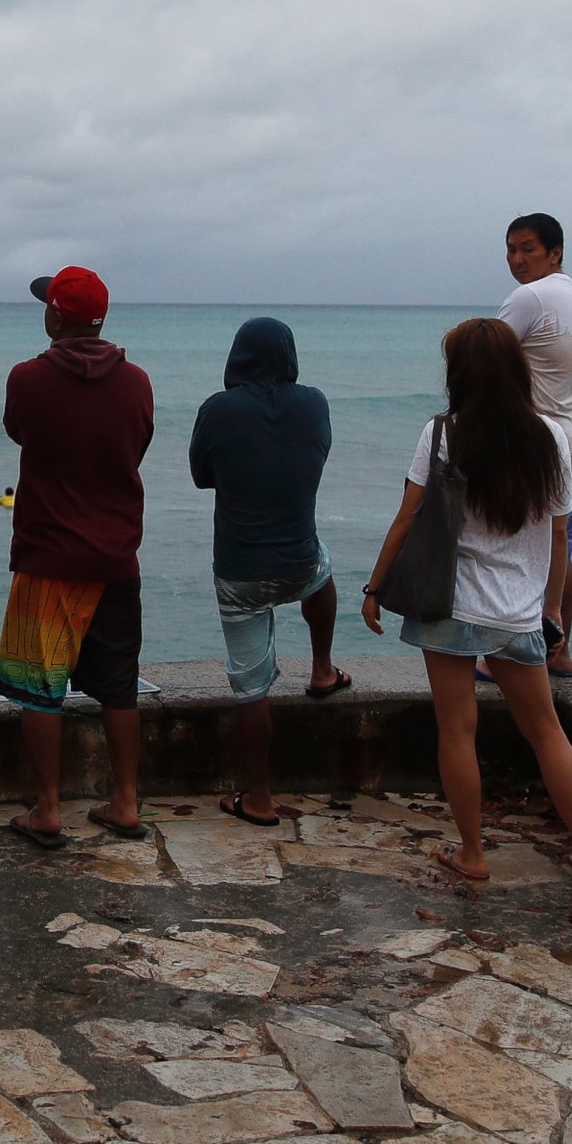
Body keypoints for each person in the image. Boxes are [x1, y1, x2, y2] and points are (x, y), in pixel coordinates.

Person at [362, 317, 572, 888]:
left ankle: (473, 853)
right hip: (519, 613)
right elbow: (558, 535)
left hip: (452, 607)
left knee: (457, 731)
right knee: (547, 731)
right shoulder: (549, 436)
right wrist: (553, 615)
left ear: (459, 374)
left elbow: (407, 517)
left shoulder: (443, 433)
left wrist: (375, 589)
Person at [0, 266, 155, 847]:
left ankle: (47, 809)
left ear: (55, 316)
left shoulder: (27, 379)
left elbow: (18, 432)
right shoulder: (136, 381)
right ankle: (127, 803)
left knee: (39, 686)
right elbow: (137, 443)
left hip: (48, 556)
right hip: (116, 555)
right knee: (120, 687)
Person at [191, 317, 347, 826]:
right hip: (300, 561)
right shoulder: (315, 402)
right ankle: (323, 668)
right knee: (323, 568)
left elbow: (200, 477)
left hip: (240, 572)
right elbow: (318, 454)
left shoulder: (218, 410)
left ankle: (259, 798)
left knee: (251, 687)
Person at [498, 213, 572, 678]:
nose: (517, 259)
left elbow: (482, 356)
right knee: (560, 551)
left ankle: (510, 659)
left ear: (555, 252)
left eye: (528, 249)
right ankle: (561, 652)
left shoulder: (531, 297)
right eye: (511, 249)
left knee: (520, 553)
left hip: (534, 445)